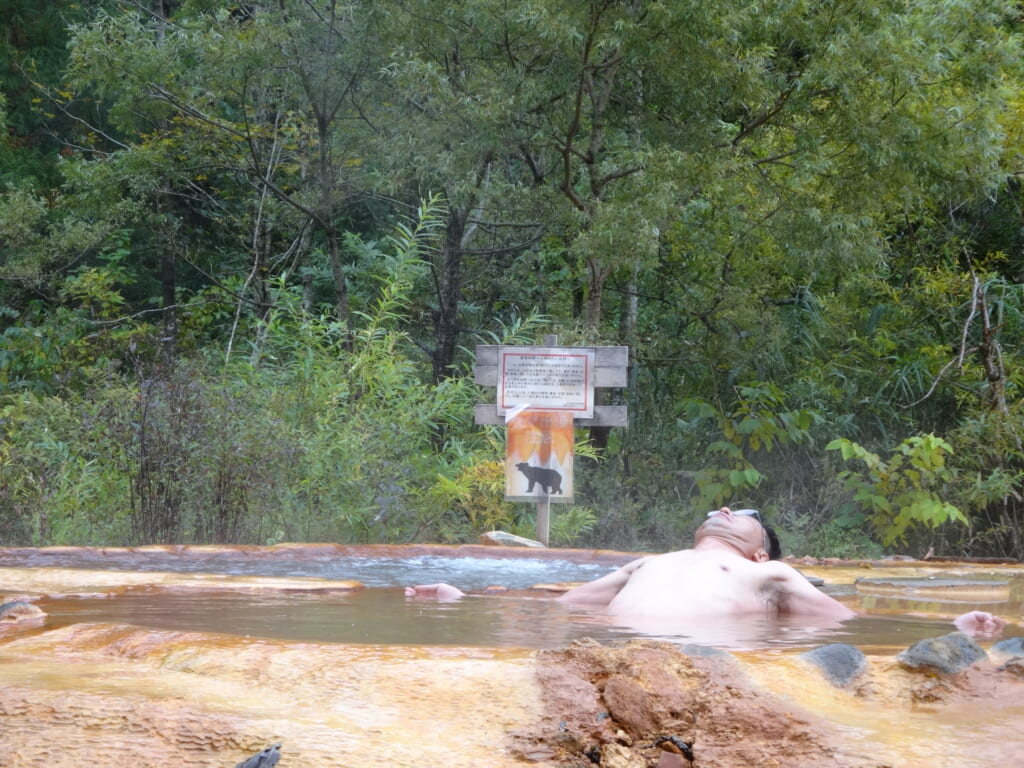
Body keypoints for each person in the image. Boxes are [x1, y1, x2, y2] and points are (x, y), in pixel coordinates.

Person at [406, 507, 1007, 637]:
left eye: (742, 514)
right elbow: (560, 605)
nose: (724, 508)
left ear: (760, 551)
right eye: (722, 507)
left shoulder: (767, 575)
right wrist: (461, 599)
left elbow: (849, 619)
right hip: (623, 651)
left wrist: (945, 625)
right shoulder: (651, 561)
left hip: (705, 658)